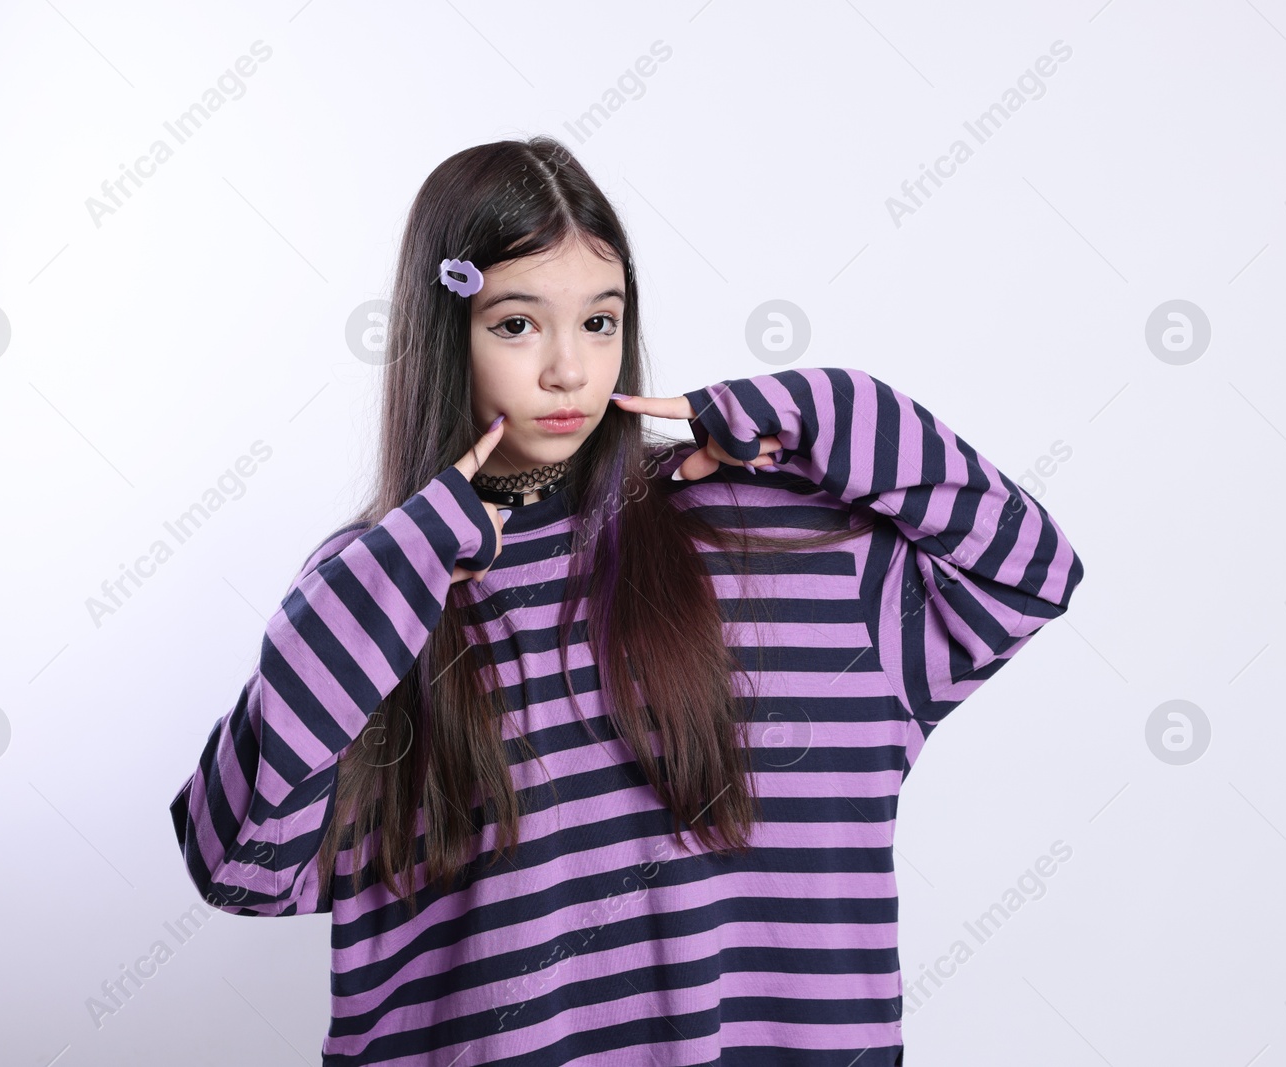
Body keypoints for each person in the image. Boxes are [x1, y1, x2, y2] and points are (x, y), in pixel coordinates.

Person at [168, 135, 1085, 1066]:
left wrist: (828, 404)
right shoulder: (381, 584)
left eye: (600, 322)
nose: (569, 369)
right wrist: (396, 560)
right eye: (517, 324)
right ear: (444, 337)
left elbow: (1030, 567)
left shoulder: (765, 529)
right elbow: (237, 865)